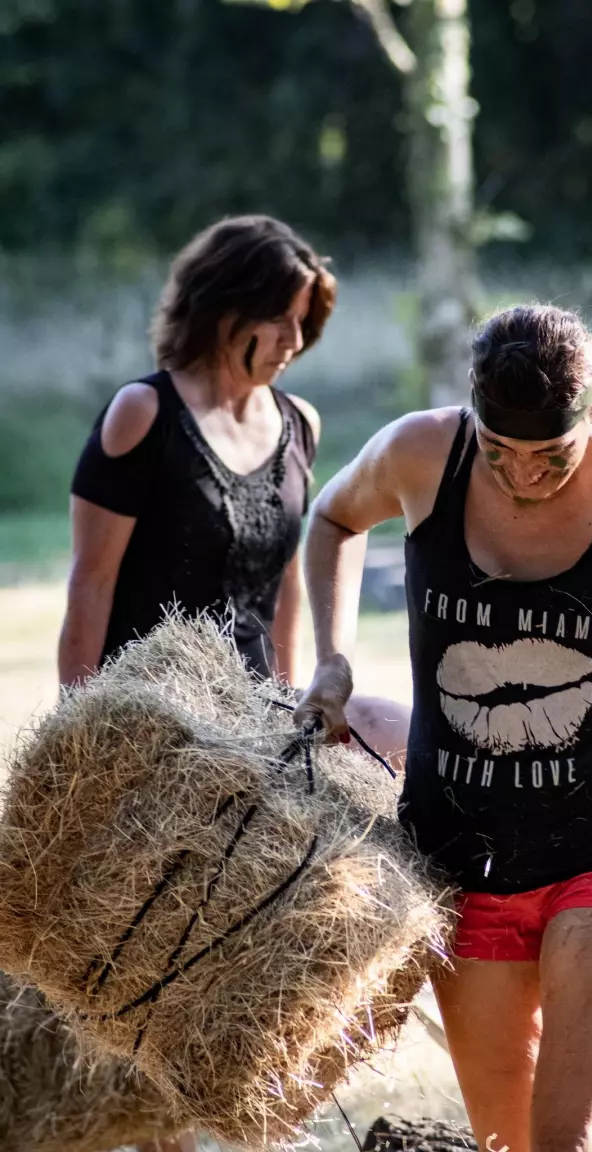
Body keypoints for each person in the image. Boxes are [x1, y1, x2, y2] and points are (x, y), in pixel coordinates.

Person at [295, 304, 592, 1152]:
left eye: (552, 455)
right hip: (459, 859)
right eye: (499, 450)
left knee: (571, 1142)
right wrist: (333, 660)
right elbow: (332, 518)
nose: (524, 477)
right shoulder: (421, 453)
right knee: (505, 1143)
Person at [57, 214, 409, 1152]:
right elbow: (90, 586)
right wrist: (78, 741)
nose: (295, 341)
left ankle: (252, 1118)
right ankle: (154, 1132)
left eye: (306, 324)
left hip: (253, 714)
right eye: (281, 320)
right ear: (225, 308)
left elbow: (288, 582)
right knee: (150, 944)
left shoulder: (301, 425)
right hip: (149, 719)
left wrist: (293, 709)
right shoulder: (141, 415)